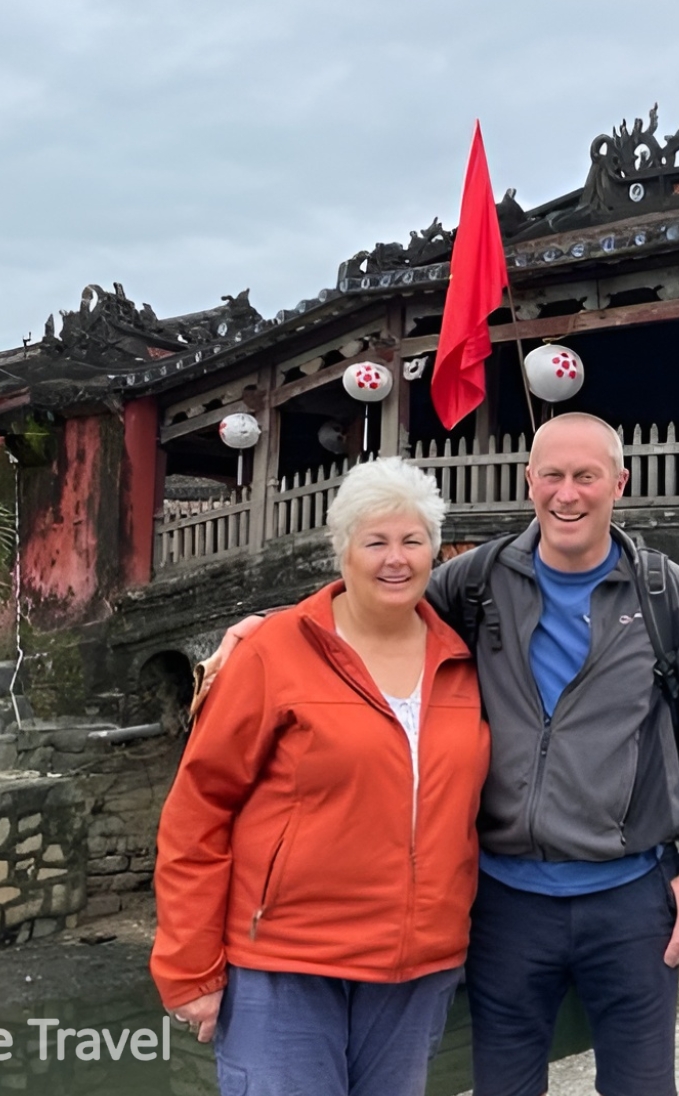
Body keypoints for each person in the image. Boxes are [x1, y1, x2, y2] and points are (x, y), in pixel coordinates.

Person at [200, 412, 679, 1096]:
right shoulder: (480, 582)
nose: (566, 494)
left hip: (631, 896)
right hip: (506, 900)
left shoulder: (663, 594)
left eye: (585, 476)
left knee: (641, 1086)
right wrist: (274, 625)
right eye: (551, 475)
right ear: (529, 481)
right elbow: (379, 595)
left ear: (618, 484)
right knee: (504, 1086)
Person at [152, 457, 491, 1096]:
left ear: (435, 551)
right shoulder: (271, 653)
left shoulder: (464, 661)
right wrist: (191, 968)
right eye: (376, 542)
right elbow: (199, 813)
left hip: (415, 966)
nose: (396, 558)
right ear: (342, 550)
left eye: (413, 540)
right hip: (288, 960)